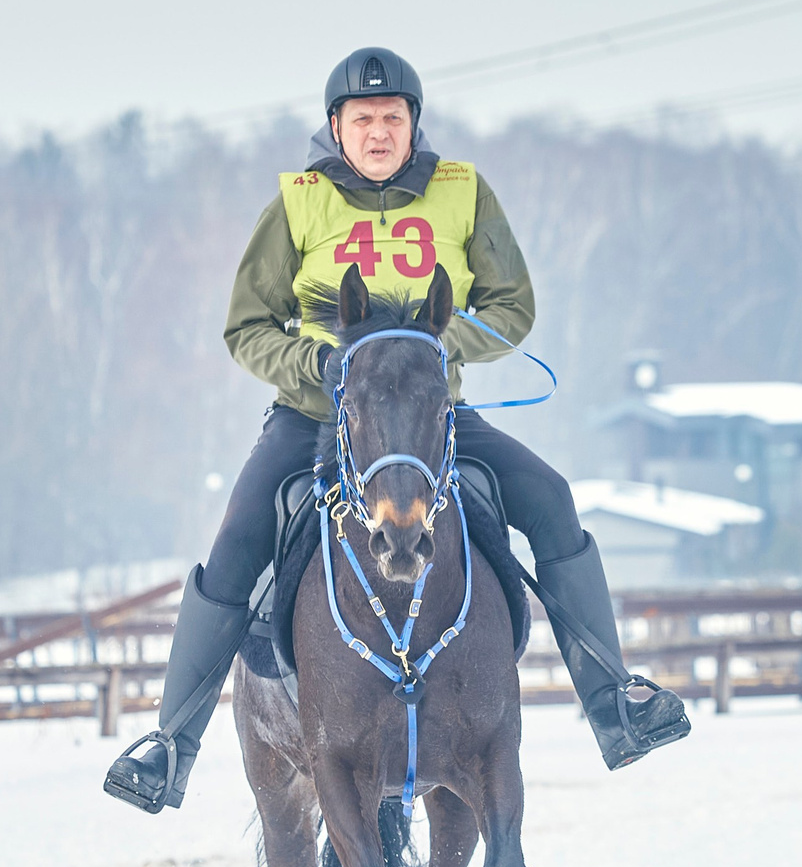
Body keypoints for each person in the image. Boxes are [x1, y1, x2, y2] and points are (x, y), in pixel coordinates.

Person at [102, 46, 690, 813]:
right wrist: (321, 365)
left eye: (392, 118)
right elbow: (246, 327)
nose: (378, 133)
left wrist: (430, 353)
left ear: (414, 124)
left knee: (549, 493)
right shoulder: (297, 204)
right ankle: (170, 745)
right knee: (238, 535)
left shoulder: (463, 194)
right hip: (319, 416)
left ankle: (615, 703)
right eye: (363, 120)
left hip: (426, 418)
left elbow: (513, 308)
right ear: (336, 128)